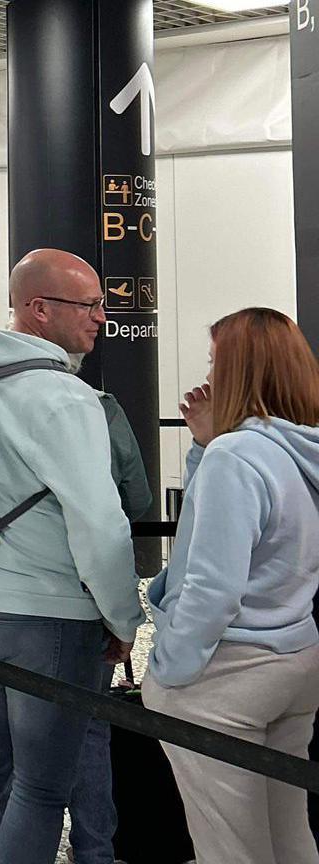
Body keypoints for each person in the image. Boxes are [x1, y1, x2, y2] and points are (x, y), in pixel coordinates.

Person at [0, 249, 143, 864]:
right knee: (41, 783)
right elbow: (100, 522)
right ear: (39, 309)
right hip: (47, 614)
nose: (102, 317)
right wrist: (123, 616)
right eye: (89, 305)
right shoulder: (64, 397)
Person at [142, 308, 319, 864]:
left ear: (241, 372)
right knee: (289, 833)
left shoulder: (236, 456)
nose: (211, 375)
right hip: (295, 660)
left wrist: (169, 669)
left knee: (230, 849)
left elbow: (211, 583)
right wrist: (204, 446)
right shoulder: (297, 451)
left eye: (218, 362)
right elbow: (221, 531)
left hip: (227, 677)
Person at [0, 384, 154, 864]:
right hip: (82, 591)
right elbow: (135, 498)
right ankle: (95, 851)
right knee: (90, 730)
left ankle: (7, 844)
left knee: (8, 736)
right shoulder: (101, 407)